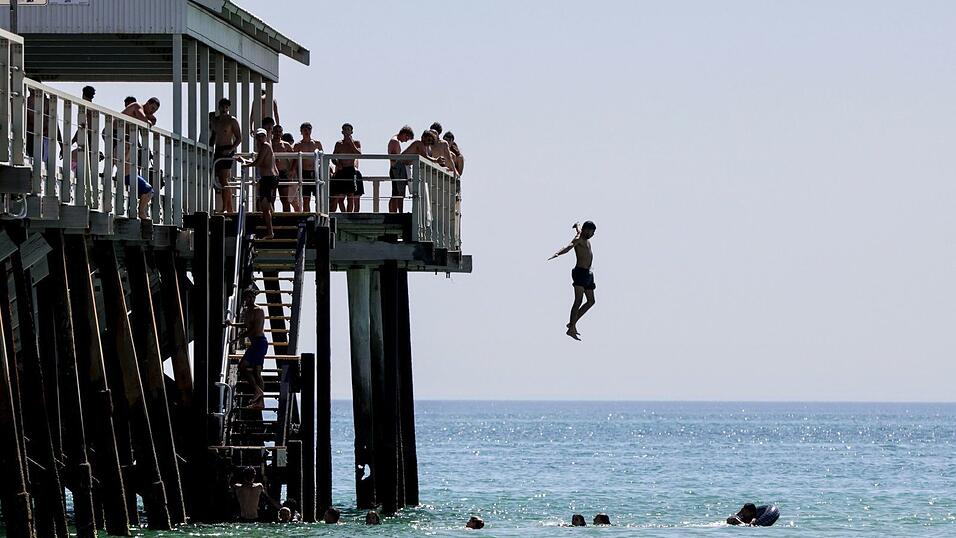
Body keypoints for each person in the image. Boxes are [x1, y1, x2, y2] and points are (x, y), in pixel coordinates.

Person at [549, 221, 597, 340]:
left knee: (591, 301)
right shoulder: (579, 239)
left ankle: (572, 323)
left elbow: (579, 228)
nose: (592, 235)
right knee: (578, 300)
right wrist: (557, 253)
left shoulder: (582, 233)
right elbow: (568, 247)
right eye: (591, 232)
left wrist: (577, 225)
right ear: (587, 230)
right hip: (580, 273)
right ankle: (571, 328)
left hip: (588, 274)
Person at [238, 128, 279, 239]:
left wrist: (245, 164)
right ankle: (270, 224)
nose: (260, 138)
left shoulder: (265, 145)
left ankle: (270, 232)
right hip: (268, 178)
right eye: (258, 136)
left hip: (269, 179)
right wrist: (244, 161)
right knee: (267, 205)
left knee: (265, 207)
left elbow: (258, 162)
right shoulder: (263, 147)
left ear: (265, 137)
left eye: (262, 136)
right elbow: (261, 162)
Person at [234, 288, 267, 409]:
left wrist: (240, 337)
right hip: (254, 344)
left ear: (253, 298)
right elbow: (246, 325)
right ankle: (260, 401)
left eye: (250, 297)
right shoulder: (247, 311)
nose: (247, 300)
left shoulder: (259, 310)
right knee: (253, 371)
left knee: (251, 370)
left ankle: (258, 392)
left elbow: (254, 329)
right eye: (246, 297)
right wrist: (232, 325)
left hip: (260, 343)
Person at [211, 98, 241, 213]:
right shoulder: (215, 120)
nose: (224, 109)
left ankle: (226, 208)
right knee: (220, 179)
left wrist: (231, 150)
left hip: (228, 149)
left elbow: (239, 138)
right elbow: (213, 136)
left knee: (224, 179)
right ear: (219, 107)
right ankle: (229, 208)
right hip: (218, 150)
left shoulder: (232, 120)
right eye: (222, 107)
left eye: (226, 107)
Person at [332, 123, 363, 212]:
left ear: (351, 131)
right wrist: (337, 164)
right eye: (345, 129)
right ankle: (344, 213)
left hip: (351, 170)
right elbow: (333, 158)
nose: (346, 131)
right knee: (340, 198)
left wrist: (351, 144)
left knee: (350, 196)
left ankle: (349, 215)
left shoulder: (356, 143)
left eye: (348, 129)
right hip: (341, 170)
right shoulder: (339, 144)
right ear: (342, 131)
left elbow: (359, 154)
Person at [292, 122, 322, 212]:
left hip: (316, 173)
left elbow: (322, 158)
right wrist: (292, 170)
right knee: (306, 199)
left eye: (308, 129)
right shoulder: (298, 145)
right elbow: (295, 160)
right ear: (301, 131)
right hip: (304, 173)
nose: (307, 131)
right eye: (304, 129)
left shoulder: (317, 144)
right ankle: (307, 216)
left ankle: (318, 214)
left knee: (319, 198)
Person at [387, 125, 415, 213]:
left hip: (397, 169)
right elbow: (394, 158)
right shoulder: (394, 141)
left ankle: (398, 212)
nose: (406, 140)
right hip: (396, 170)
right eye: (407, 137)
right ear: (404, 133)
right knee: (396, 193)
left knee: (398, 193)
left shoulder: (396, 141)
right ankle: (393, 212)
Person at [272, 125, 299, 212]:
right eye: (276, 131)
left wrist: (292, 169)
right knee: (271, 198)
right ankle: (272, 218)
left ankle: (287, 219)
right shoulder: (269, 143)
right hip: (271, 173)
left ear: (282, 133)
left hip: (283, 173)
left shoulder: (286, 145)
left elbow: (296, 157)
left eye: (280, 132)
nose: (278, 133)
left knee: (284, 199)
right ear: (272, 132)